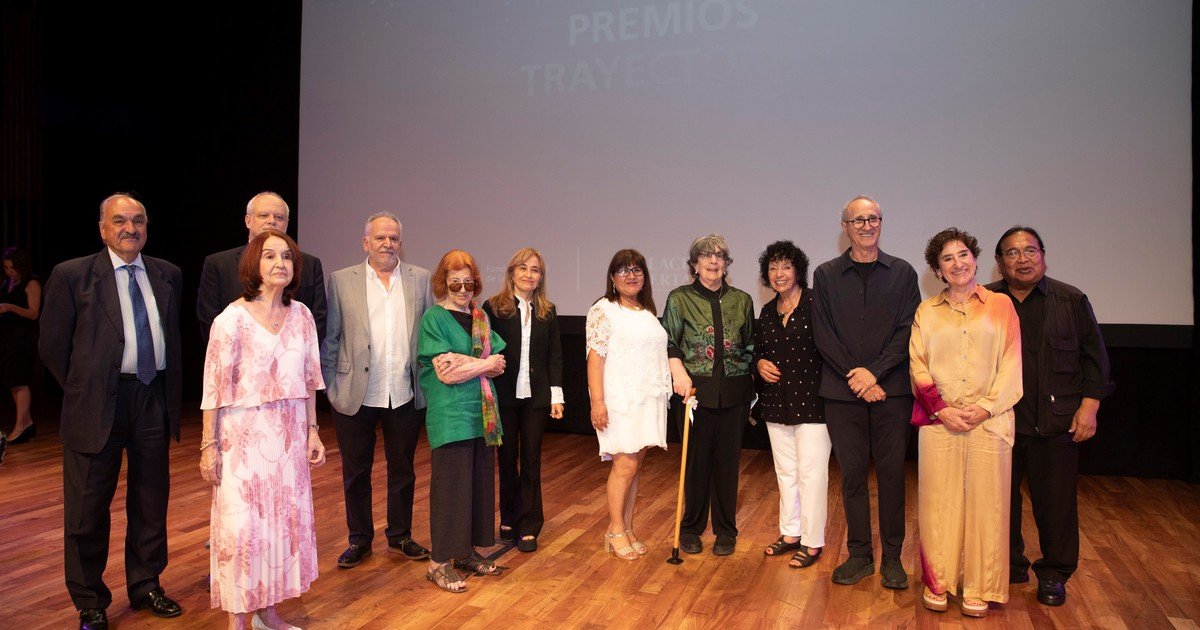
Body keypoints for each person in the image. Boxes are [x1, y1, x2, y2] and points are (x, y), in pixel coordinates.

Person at [40, 193, 184, 629]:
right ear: (103, 229)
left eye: (138, 220)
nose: (130, 228)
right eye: (119, 221)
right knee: (86, 509)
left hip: (152, 398)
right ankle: (90, 600)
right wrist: (84, 387)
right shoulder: (72, 275)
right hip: (96, 402)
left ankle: (146, 585)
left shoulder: (168, 274)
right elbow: (52, 345)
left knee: (150, 500)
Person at [200, 229, 326, 629]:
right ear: (253, 264)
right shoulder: (231, 320)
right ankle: (239, 621)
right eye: (270, 256)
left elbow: (310, 380)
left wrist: (313, 431)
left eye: (286, 257)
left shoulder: (302, 315)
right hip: (243, 441)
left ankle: (268, 615)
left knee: (281, 528)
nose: (279, 263)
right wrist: (208, 446)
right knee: (244, 531)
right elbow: (213, 388)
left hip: (289, 437)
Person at [986, 226, 1111, 607]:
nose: (1022, 259)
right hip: (999, 423)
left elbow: (1095, 359)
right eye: (1012, 253)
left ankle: (1054, 574)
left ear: (1043, 255)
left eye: (1030, 250)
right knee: (998, 504)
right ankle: (1009, 565)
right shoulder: (985, 301)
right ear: (999, 262)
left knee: (1056, 506)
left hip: (1055, 422)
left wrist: (1090, 407)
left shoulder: (1070, 300)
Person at [910, 227, 1022, 618]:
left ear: (975, 259)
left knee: (988, 506)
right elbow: (918, 364)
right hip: (940, 422)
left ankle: (979, 585)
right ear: (937, 270)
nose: (957, 263)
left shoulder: (1002, 306)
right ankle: (938, 581)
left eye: (963, 255)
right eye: (947, 259)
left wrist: (986, 407)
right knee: (937, 503)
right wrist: (942, 409)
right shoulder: (926, 312)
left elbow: (1011, 363)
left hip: (990, 421)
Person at [811, 194, 920, 589]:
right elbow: (823, 334)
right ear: (845, 227)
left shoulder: (903, 273)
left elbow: (907, 330)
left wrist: (874, 374)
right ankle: (859, 555)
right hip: (843, 394)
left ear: (881, 223)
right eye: (858, 220)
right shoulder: (825, 275)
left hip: (891, 392)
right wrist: (857, 378)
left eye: (873, 218)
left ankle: (892, 558)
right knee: (852, 476)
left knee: (892, 475)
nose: (867, 225)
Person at [322, 212, 433, 569]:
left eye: (394, 238)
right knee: (356, 472)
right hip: (354, 392)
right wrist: (331, 386)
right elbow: (332, 337)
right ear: (365, 242)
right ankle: (359, 540)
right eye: (381, 237)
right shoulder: (341, 280)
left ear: (401, 242)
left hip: (403, 391)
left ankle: (400, 535)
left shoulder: (420, 279)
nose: (388, 244)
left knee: (403, 469)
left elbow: (428, 335)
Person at [418, 250, 507, 592]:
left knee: (477, 486)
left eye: (468, 283)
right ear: (443, 283)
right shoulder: (434, 318)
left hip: (481, 414)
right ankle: (438, 562)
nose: (462, 289)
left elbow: (500, 364)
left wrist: (464, 362)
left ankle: (465, 552)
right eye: (455, 283)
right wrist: (484, 364)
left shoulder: (480, 317)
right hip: (450, 414)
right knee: (451, 488)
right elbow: (446, 372)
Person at [663, 234, 755, 557]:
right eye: (705, 255)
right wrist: (679, 374)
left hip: (733, 393)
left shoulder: (742, 300)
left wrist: (748, 386)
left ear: (727, 263)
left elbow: (750, 345)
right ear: (694, 264)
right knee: (696, 463)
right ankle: (691, 528)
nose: (713, 261)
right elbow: (669, 342)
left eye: (719, 255)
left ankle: (726, 531)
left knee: (728, 464)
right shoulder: (679, 298)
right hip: (693, 393)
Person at [585, 249, 671, 561]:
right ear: (612, 277)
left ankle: (627, 527)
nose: (631, 275)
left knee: (635, 467)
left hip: (647, 400)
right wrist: (597, 403)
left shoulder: (646, 311)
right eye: (623, 270)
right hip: (620, 401)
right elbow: (595, 359)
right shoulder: (603, 310)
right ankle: (615, 530)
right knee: (625, 466)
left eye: (637, 270)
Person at [753, 241, 830, 569]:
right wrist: (759, 363)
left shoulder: (817, 303)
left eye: (786, 266)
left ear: (798, 270)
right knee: (785, 473)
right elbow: (758, 350)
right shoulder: (767, 310)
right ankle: (790, 533)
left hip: (813, 403)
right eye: (773, 268)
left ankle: (813, 541)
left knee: (811, 474)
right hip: (776, 404)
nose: (779, 273)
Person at [484, 247, 564, 553]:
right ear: (512, 272)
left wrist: (556, 396)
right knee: (506, 459)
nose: (529, 275)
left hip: (536, 397)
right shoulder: (493, 308)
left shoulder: (548, 311)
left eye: (535, 270)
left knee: (531, 459)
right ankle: (508, 518)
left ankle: (529, 525)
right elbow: (485, 350)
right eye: (523, 268)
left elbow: (555, 356)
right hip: (503, 395)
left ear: (541, 277)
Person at [197, 191, 326, 347]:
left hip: (293, 355)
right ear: (248, 220)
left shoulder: (309, 264)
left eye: (279, 217)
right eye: (264, 216)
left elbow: (318, 321)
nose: (271, 221)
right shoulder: (218, 264)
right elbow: (209, 320)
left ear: (287, 223)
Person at [1, 247, 41, 445]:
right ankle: (27, 422)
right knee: (12, 381)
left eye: (12, 268)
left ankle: (21, 426)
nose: (9, 272)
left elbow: (34, 313)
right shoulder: (8, 283)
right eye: (6, 268)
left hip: (23, 339)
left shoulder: (31, 283)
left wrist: (12, 308)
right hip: (8, 338)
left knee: (20, 381)